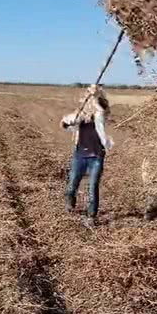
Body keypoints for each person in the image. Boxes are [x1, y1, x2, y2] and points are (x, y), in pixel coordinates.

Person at [60, 85, 113, 227]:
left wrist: (95, 96)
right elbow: (66, 124)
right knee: (72, 184)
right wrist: (66, 121)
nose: (88, 100)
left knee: (92, 186)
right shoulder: (79, 115)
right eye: (86, 97)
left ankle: (91, 216)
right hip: (80, 155)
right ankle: (70, 204)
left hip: (96, 156)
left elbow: (102, 110)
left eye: (90, 97)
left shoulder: (101, 112)